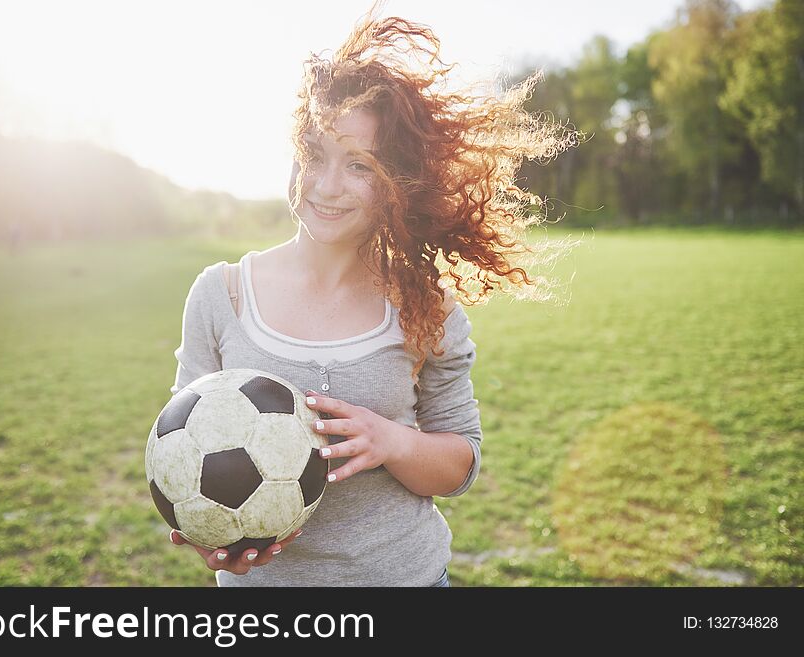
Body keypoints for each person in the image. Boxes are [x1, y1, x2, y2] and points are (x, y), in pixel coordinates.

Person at [168, 3, 578, 587]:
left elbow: (460, 463)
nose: (326, 186)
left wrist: (389, 440)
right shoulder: (221, 294)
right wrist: (210, 536)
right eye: (314, 154)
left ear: (396, 183)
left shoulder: (423, 304)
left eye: (359, 165)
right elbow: (183, 451)